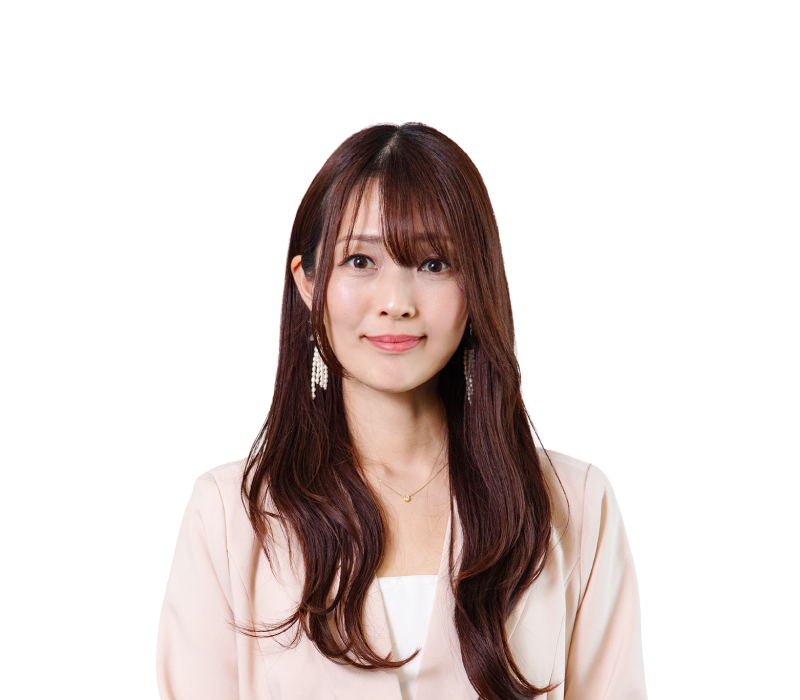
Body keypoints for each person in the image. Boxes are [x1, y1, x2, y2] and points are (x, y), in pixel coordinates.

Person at [156, 122, 647, 699]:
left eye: (434, 263)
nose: (396, 303)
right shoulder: (229, 515)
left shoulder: (577, 504)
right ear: (308, 283)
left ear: (477, 283)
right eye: (360, 261)